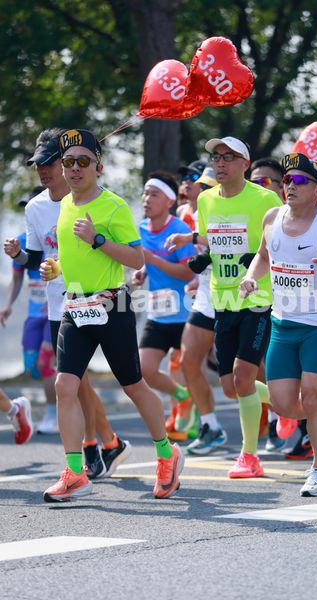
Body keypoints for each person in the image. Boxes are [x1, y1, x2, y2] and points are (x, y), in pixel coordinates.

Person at [39, 128, 183, 501]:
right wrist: (55, 268)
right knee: (65, 386)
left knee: (133, 386)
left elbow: (137, 258)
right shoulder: (65, 205)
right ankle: (75, 472)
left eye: (83, 161)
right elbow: (74, 257)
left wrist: (98, 240)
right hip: (75, 307)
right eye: (68, 162)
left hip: (111, 307)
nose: (74, 168)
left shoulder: (114, 207)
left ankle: (166, 454)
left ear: (98, 167)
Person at [3, 128, 129, 479]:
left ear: (65, 163)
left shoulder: (91, 201)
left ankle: (103, 444)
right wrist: (19, 255)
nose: (42, 171)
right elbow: (36, 258)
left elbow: (124, 250)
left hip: (99, 299)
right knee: (75, 382)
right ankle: (100, 445)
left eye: (48, 163)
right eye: (37, 165)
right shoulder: (35, 207)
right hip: (59, 305)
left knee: (92, 381)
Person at [239, 152, 317, 496]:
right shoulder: (272, 217)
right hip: (282, 324)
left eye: (299, 181)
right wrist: (251, 278)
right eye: (287, 180)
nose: (289, 186)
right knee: (282, 404)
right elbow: (263, 255)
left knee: (310, 397)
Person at [166, 136, 282, 477]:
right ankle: (302, 407)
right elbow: (214, 240)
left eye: (228, 157)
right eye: (216, 157)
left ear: (245, 164)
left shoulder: (266, 199)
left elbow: (281, 243)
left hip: (257, 298)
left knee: (244, 377)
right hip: (222, 299)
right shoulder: (206, 200)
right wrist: (193, 247)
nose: (219, 163)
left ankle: (249, 456)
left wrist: (257, 265)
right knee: (232, 387)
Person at [134, 174, 197, 438]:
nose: (146, 199)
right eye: (145, 193)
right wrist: (142, 271)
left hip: (185, 313)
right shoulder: (141, 229)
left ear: (170, 201)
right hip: (158, 314)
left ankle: (191, 423)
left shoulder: (179, 229)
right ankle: (183, 397)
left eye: (154, 194)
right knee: (145, 369)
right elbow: (144, 261)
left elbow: (189, 273)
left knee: (184, 369)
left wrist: (154, 262)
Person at [177, 165, 229, 455]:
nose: (205, 192)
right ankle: (211, 426)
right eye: (203, 187)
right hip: (207, 296)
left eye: (211, 187)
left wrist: (197, 243)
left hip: (236, 296)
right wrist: (197, 278)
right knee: (188, 361)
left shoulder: (230, 211)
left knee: (240, 376)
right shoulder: (192, 215)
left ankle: (284, 414)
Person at [0, 186, 58, 434]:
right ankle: (69, 392)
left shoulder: (56, 237)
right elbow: (16, 279)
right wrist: (8, 305)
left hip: (55, 311)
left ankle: (53, 414)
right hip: (34, 314)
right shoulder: (20, 242)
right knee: (32, 366)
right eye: (26, 208)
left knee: (46, 363)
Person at [249, 158, 286, 452]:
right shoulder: (250, 213)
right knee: (250, 369)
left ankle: (284, 418)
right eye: (253, 182)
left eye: (264, 182)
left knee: (272, 367)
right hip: (250, 300)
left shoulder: (293, 218)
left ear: (281, 187)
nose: (257, 187)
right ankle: (278, 416)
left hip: (289, 306)